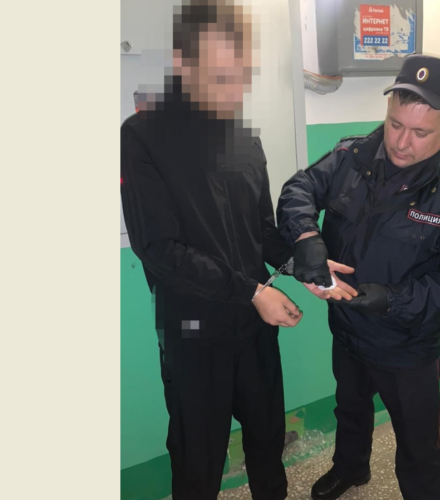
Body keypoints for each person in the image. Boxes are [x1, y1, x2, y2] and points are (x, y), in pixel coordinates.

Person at [121, 1, 355, 498]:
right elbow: (158, 247)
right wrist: (253, 291)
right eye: (220, 77)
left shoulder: (243, 139)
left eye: (241, 76)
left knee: (267, 440)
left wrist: (305, 263)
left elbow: (260, 230)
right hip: (192, 329)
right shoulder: (143, 136)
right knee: (198, 455)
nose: (233, 92)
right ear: (183, 63)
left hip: (253, 326)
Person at [278, 54, 440, 500]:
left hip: (406, 345)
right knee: (350, 408)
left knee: (418, 442)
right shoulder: (352, 155)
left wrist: (392, 299)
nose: (401, 142)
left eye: (420, 132)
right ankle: (351, 469)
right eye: (395, 124)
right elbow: (299, 188)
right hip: (347, 327)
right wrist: (306, 236)